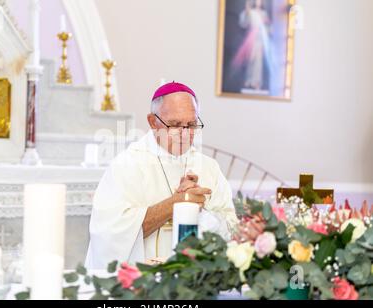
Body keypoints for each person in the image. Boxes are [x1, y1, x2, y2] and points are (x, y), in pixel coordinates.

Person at [85, 82, 238, 269]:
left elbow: (231, 231)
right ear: (152, 122)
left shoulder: (209, 168)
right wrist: (175, 203)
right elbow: (109, 235)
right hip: (141, 284)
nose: (184, 134)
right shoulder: (127, 165)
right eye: (174, 125)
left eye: (191, 125)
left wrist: (200, 211)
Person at [236, 0, 271, 91]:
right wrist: (247, 13)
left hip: (260, 40)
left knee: (258, 62)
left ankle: (256, 82)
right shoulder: (250, 12)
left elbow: (267, 27)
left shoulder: (264, 13)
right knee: (250, 60)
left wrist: (266, 29)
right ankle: (249, 81)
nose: (258, 2)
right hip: (250, 39)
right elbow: (243, 24)